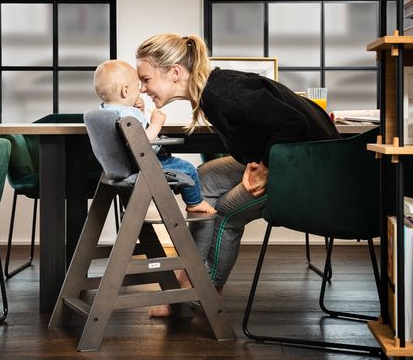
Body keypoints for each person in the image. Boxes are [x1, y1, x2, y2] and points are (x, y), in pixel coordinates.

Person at [136, 33, 340, 298]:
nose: (142, 88)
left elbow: (293, 122)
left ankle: (208, 295)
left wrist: (265, 166)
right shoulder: (214, 90)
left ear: (174, 72)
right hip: (295, 159)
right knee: (204, 178)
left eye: (146, 79)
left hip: (310, 173)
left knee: (225, 213)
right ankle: (187, 277)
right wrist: (258, 156)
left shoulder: (223, 93)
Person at [93, 59, 216, 215]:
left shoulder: (103, 112)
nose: (141, 91)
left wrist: (139, 113)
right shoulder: (128, 114)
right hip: (148, 164)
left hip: (122, 166)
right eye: (137, 87)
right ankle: (195, 203)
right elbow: (141, 142)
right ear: (125, 90)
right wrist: (155, 124)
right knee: (189, 170)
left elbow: (128, 135)